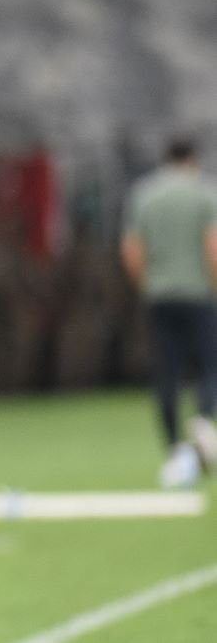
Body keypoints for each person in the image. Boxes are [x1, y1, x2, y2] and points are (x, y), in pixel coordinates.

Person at [120, 136, 217, 489]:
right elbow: (213, 245)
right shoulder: (204, 193)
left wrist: (146, 285)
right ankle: (203, 420)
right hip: (198, 293)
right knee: (208, 365)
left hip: (159, 296)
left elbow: (131, 249)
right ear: (192, 159)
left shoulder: (144, 194)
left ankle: (175, 449)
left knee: (167, 372)